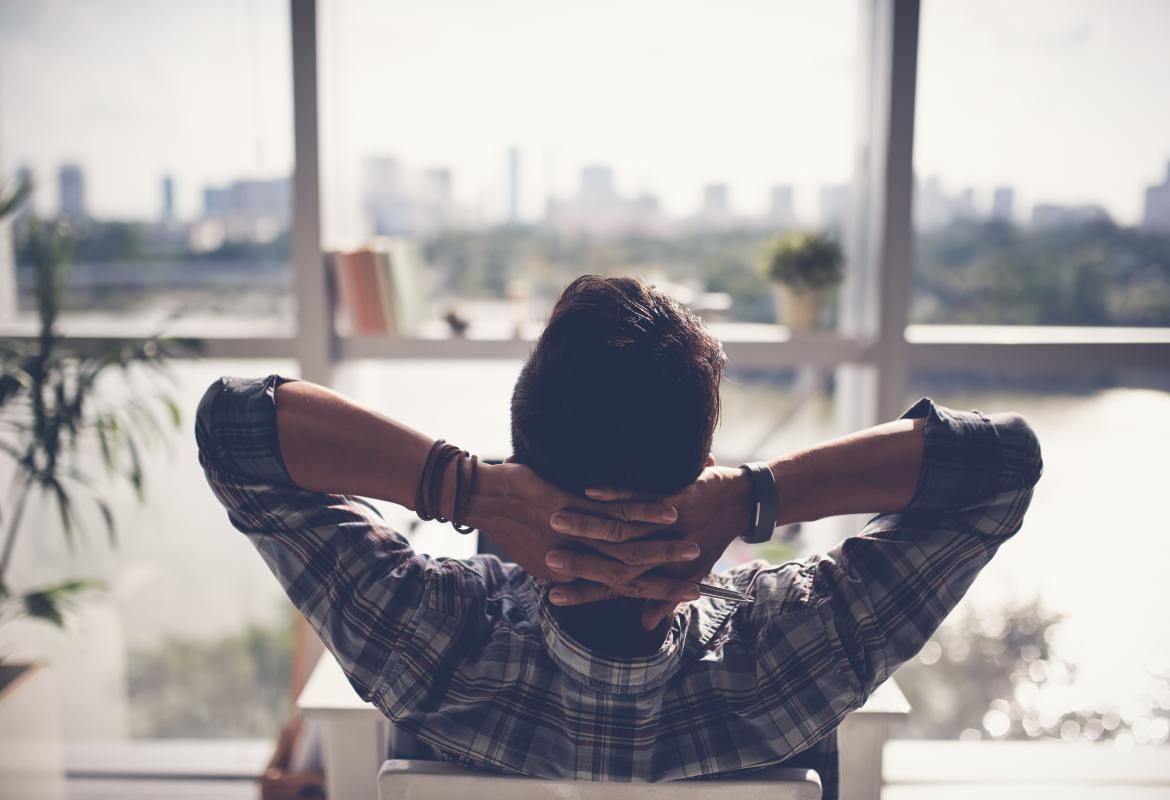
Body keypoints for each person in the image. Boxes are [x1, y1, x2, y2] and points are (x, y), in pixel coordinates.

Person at [196, 275, 1042, 799]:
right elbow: (1002, 464)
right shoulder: (796, 655)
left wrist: (471, 489)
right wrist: (755, 497)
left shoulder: (426, 641)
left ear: (523, 456)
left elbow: (235, 427)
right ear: (702, 466)